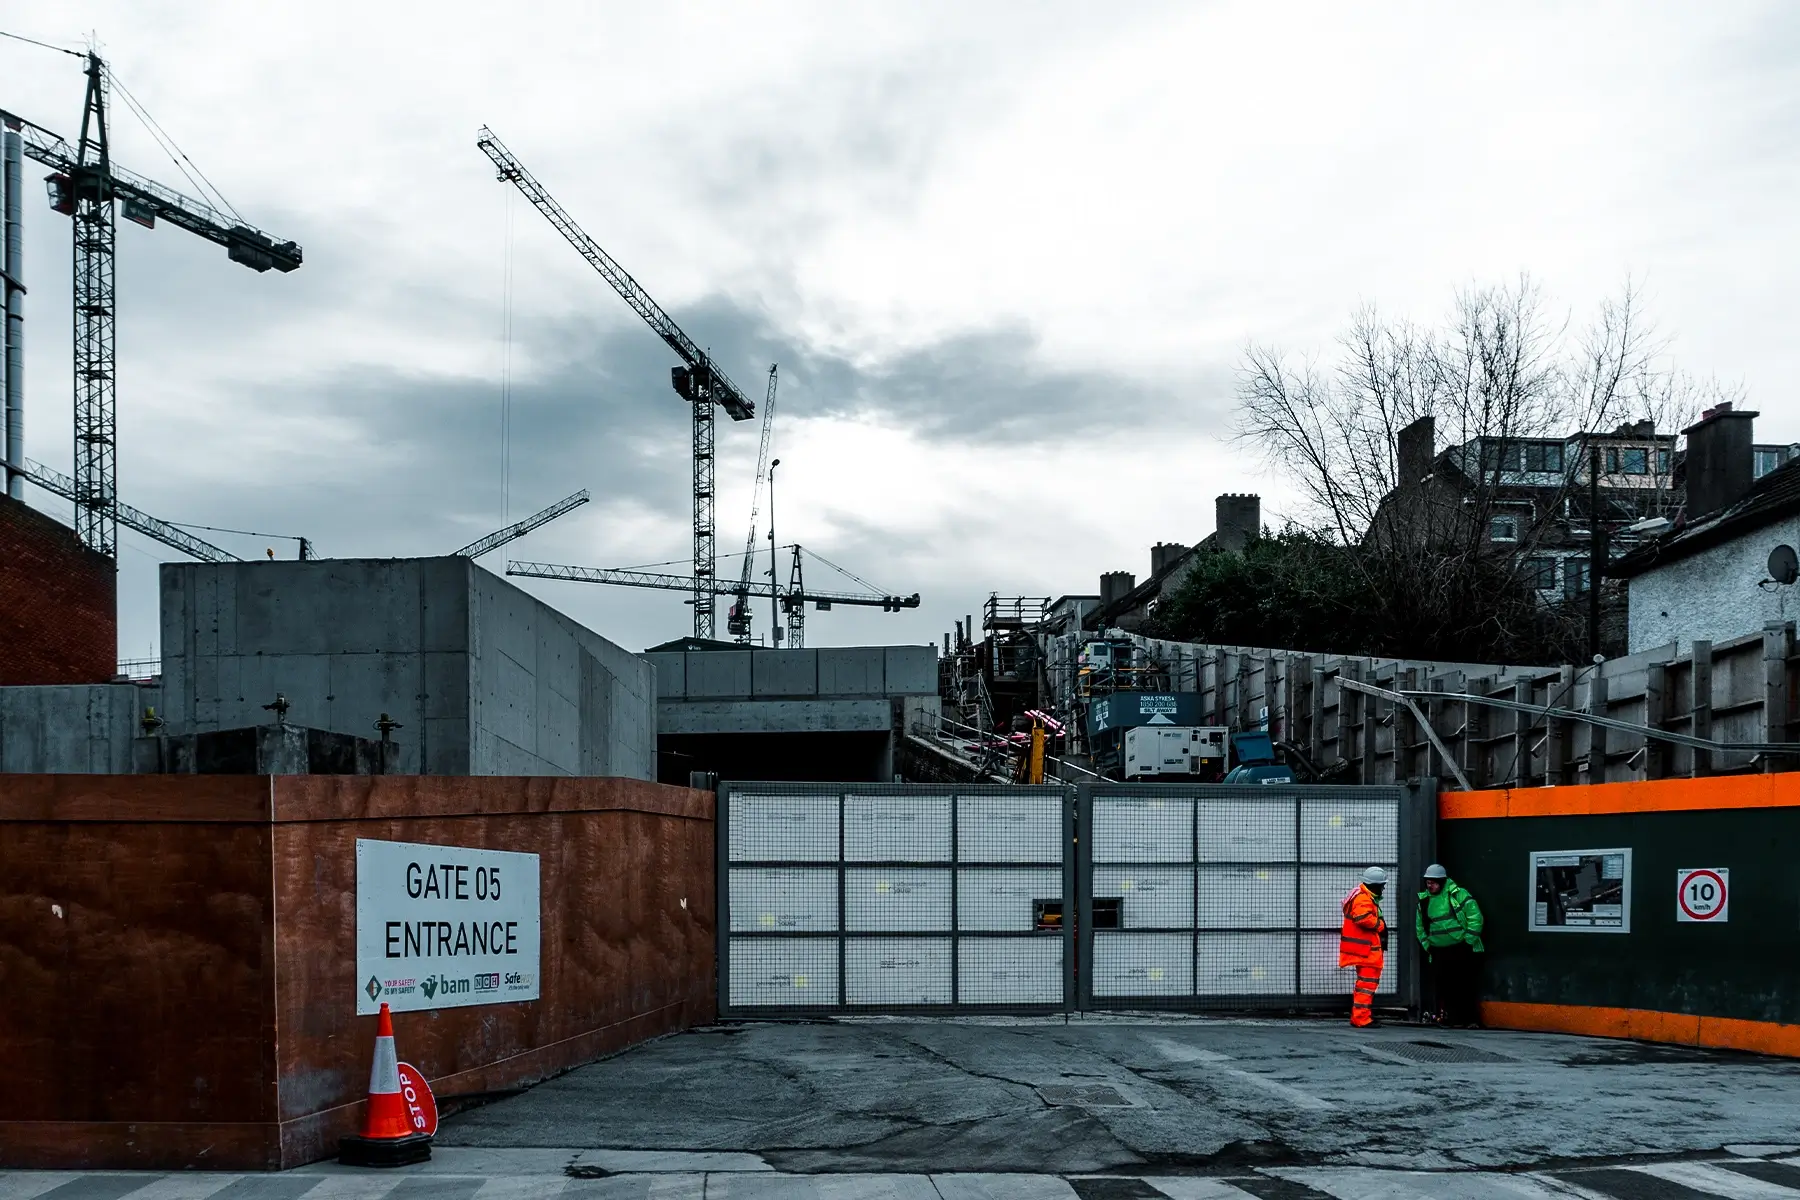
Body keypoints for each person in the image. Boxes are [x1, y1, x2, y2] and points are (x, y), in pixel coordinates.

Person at [1416, 863, 1485, 1027]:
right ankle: (1452, 1019)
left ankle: (1469, 1019)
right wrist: (1428, 946)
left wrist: (1468, 941)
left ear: (1442, 881)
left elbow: (1476, 918)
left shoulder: (1458, 895)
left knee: (1464, 985)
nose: (1429, 885)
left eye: (1433, 882)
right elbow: (1420, 928)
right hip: (1439, 951)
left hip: (1460, 949)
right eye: (1427, 882)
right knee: (1445, 987)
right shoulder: (1424, 902)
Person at [1339, 866, 1389, 1028]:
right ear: (1375, 885)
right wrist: (1380, 925)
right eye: (1381, 885)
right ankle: (1361, 1019)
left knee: (1364, 986)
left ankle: (1361, 1016)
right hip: (1368, 952)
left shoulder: (1361, 895)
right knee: (1366, 987)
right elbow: (1362, 918)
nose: (1383, 888)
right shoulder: (1363, 899)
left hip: (1366, 951)